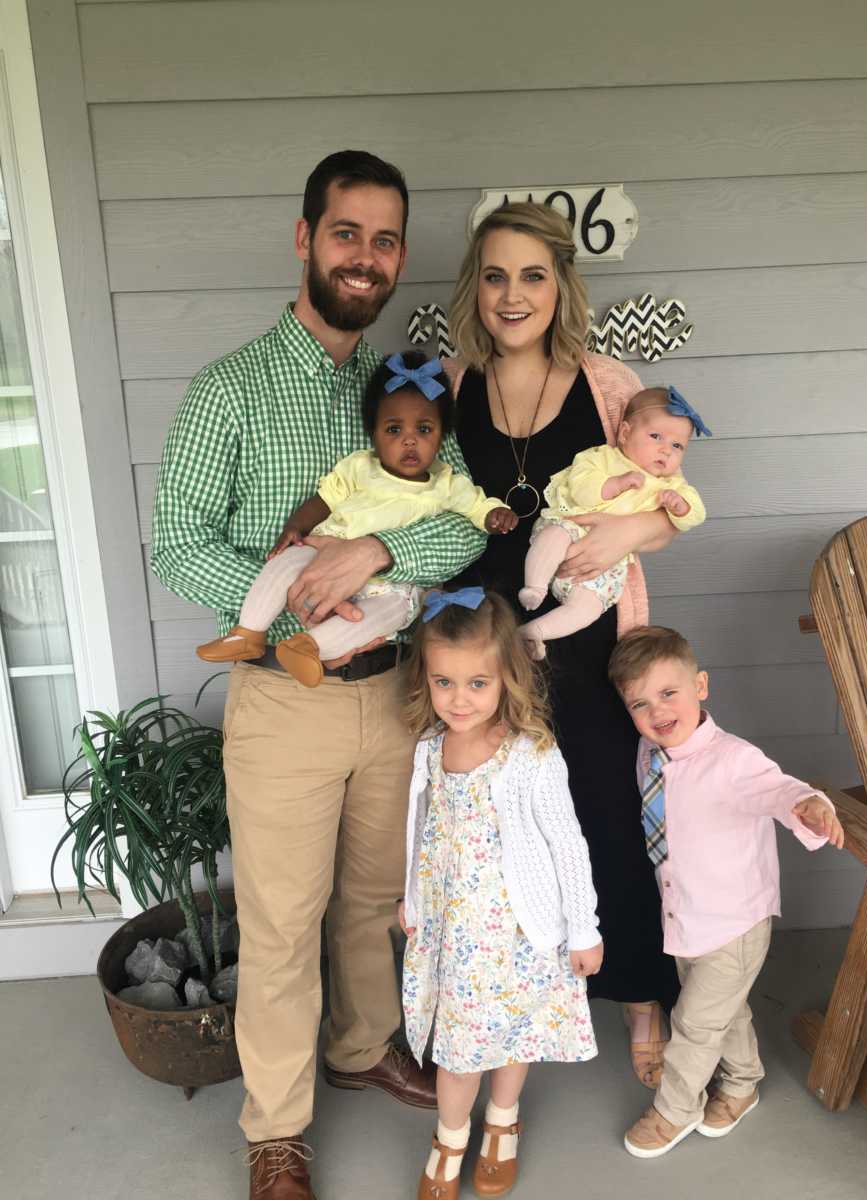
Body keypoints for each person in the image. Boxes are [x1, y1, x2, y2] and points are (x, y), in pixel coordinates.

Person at [151, 150, 487, 1200]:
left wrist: (378, 554)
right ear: (306, 240)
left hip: (394, 692)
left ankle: (361, 1045)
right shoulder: (232, 389)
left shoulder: (409, 391)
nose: (367, 257)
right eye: (347, 234)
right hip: (286, 699)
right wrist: (291, 587)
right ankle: (277, 1130)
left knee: (373, 896)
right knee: (285, 916)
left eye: (386, 240)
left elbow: (462, 520)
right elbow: (174, 542)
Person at [445, 200, 681, 1089]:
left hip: (584, 639)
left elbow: (669, 506)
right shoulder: (453, 381)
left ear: (561, 285)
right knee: (502, 827)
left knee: (606, 819)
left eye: (533, 276)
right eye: (497, 275)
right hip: (481, 643)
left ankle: (640, 995)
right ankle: (521, 1000)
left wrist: (623, 539)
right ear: (478, 285)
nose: (514, 295)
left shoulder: (609, 384)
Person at [607, 626, 844, 1159]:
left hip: (734, 921)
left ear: (702, 686)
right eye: (640, 703)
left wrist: (807, 805)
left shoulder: (734, 759)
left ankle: (674, 1110)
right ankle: (742, 1084)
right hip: (687, 914)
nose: (658, 711)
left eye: (669, 693)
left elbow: (777, 788)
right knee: (722, 1011)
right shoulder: (651, 752)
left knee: (693, 1023)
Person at [398, 588, 604, 1199]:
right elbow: (420, 833)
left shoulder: (530, 755)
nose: (459, 700)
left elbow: (567, 842)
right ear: (427, 681)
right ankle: (450, 1134)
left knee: (517, 1032)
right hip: (457, 937)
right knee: (458, 1049)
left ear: (506, 678)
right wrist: (410, 895)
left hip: (519, 931)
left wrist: (584, 927)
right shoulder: (430, 750)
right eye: (445, 683)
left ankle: (502, 1123)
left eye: (477, 684)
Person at [196, 352, 516, 686]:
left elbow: (475, 510)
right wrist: (296, 527)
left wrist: (494, 515)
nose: (410, 440)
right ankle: (249, 629)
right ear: (374, 433)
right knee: (286, 562)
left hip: (388, 583)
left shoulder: (448, 483)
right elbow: (323, 500)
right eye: (394, 429)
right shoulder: (360, 467)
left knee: (389, 612)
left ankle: (308, 647)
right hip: (325, 553)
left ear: (441, 434)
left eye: (424, 429)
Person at [519, 385, 708, 658]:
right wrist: (614, 484)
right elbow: (580, 486)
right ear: (625, 433)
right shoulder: (602, 458)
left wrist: (681, 506)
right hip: (572, 526)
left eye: (677, 446)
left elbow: (697, 513)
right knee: (553, 536)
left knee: (589, 608)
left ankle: (534, 633)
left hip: (604, 567)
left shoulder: (671, 484)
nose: (666, 451)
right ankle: (534, 587)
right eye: (656, 436)